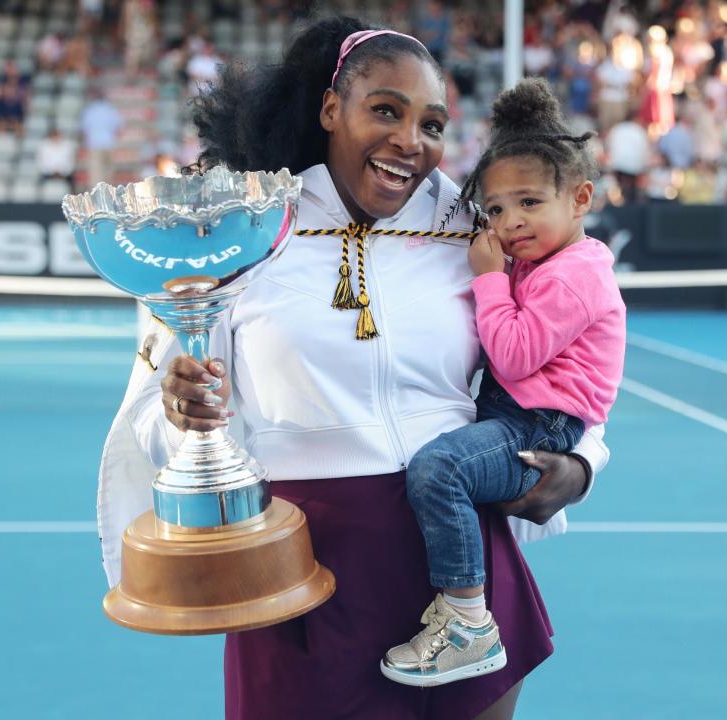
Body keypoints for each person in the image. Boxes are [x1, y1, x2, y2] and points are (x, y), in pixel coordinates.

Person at [99, 17, 609, 720]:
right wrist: (184, 414)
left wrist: (582, 462)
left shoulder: (474, 229)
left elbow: (573, 351)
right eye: (386, 111)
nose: (410, 141)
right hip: (304, 569)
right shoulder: (240, 229)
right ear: (331, 108)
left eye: (432, 124)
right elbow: (160, 418)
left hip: (458, 577)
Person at [381, 78, 625, 687]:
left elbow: (514, 356)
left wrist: (489, 277)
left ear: (580, 198)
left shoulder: (572, 276)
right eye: (494, 209)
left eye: (529, 203)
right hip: (518, 414)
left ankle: (467, 621)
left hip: (537, 424)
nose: (509, 223)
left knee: (441, 470)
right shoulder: (548, 263)